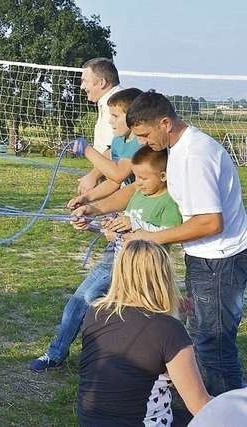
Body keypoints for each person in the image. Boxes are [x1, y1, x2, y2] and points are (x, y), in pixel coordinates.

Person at [73, 90, 247, 396]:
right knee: (203, 338)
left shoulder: (195, 156)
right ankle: (207, 406)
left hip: (220, 263)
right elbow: (136, 191)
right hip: (206, 259)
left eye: (143, 134)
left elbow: (210, 222)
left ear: (165, 122)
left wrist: (148, 236)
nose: (141, 143)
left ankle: (226, 412)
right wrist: (94, 207)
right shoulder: (175, 148)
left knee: (214, 346)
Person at [30, 146, 182, 372]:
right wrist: (92, 226)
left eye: (143, 178)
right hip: (115, 258)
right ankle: (55, 353)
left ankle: (136, 362)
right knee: (78, 301)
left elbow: (168, 233)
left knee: (108, 305)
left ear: (163, 175)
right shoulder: (139, 193)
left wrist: (133, 227)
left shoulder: (169, 201)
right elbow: (119, 229)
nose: (137, 183)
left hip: (142, 270)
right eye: (136, 177)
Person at [78, 240, 210, 426]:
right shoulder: (170, 330)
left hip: (92, 419)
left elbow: (132, 332)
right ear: (163, 276)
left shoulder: (96, 313)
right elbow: (200, 405)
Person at [69, 88, 143, 207]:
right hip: (128, 205)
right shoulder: (118, 141)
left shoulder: (139, 143)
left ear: (133, 117)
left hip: (145, 205)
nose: (110, 121)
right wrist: (86, 197)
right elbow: (114, 182)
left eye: (115, 116)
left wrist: (87, 150)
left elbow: (118, 174)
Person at [76, 58, 122, 195]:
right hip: (111, 178)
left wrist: (93, 176)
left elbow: (115, 148)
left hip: (121, 181)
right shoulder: (106, 102)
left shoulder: (116, 105)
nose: (82, 86)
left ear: (102, 83)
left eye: (86, 81)